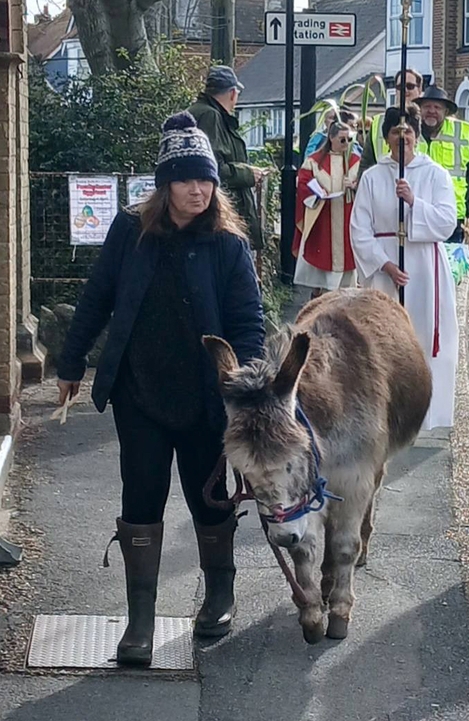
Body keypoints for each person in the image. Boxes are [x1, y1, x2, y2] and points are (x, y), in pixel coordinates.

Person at [56, 112, 265, 667]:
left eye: (207, 179)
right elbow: (99, 295)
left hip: (206, 398)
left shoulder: (228, 244)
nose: (198, 189)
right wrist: (70, 361)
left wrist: (243, 389)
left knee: (209, 499)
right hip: (140, 393)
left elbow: (249, 323)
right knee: (141, 497)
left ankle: (219, 593)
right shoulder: (131, 230)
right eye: (186, 178)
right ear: (164, 183)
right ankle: (140, 621)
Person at [350, 106, 458, 430]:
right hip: (385, 271)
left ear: (416, 137)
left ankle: (426, 414)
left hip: (424, 268)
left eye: (408, 132)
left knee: (424, 336)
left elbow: (446, 222)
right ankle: (386, 411)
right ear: (386, 138)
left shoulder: (435, 174)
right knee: (384, 340)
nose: (402, 138)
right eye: (396, 132)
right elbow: (359, 228)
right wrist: (384, 264)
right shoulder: (372, 177)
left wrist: (413, 202)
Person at [188, 65, 266, 251]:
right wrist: (248, 174)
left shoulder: (199, 112)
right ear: (232, 93)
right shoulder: (211, 116)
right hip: (220, 214)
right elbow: (212, 168)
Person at [293, 121, 361, 297]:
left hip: (347, 217)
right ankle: (319, 295)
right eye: (341, 139)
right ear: (331, 138)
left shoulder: (355, 161)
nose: (346, 144)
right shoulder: (314, 161)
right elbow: (303, 182)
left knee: (347, 274)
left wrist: (354, 186)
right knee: (322, 266)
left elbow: (367, 187)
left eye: (349, 139)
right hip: (323, 217)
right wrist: (317, 192)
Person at [412, 86, 469, 248]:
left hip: (452, 219)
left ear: (446, 112)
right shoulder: (410, 134)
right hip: (416, 216)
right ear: (419, 110)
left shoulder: (461, 135)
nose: (431, 111)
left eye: (437, 107)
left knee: (450, 271)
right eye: (427, 107)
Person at [358, 69, 425, 177]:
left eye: (410, 86)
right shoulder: (379, 122)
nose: (405, 90)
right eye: (400, 87)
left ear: (420, 89)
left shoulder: (428, 119)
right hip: (385, 184)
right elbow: (366, 163)